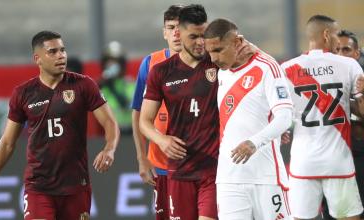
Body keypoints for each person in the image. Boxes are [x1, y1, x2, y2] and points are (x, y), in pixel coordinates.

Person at [0, 31, 120, 220]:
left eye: (63, 50)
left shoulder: (83, 85)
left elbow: (110, 122)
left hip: (76, 186)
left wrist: (109, 149)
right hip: (39, 187)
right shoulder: (23, 93)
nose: (61, 55)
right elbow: (7, 143)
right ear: (38, 58)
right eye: (52, 51)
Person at [204, 18, 293, 219]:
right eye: (210, 52)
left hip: (266, 177)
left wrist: (254, 142)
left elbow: (285, 117)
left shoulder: (267, 66)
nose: (213, 58)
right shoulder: (221, 73)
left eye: (218, 50)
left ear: (237, 42)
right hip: (229, 178)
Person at [139, 4, 219, 220]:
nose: (200, 42)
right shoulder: (161, 71)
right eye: (193, 36)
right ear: (178, 33)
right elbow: (144, 120)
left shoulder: (218, 62)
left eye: (204, 35)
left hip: (214, 168)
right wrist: (162, 140)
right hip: (180, 169)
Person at [281, 15, 364, 219]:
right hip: (338, 161)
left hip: (303, 162)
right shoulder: (348, 65)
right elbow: (362, 112)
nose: (339, 41)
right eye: (337, 35)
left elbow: (279, 114)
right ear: (327, 35)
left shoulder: (287, 69)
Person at [131, 4, 183, 220]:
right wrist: (142, 158)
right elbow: (137, 112)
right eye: (170, 27)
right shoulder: (151, 63)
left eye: (181, 27)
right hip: (161, 163)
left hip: (200, 161)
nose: (176, 33)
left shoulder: (209, 62)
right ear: (164, 32)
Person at [321, 29, 364, 220]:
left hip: (359, 156)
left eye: (346, 50)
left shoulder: (361, 81)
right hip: (334, 158)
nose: (340, 55)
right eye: (337, 50)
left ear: (357, 53)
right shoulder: (322, 81)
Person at [99, 41, 134, 133]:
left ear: (122, 64)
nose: (111, 65)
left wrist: (113, 89)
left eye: (115, 62)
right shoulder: (101, 87)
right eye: (108, 61)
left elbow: (127, 105)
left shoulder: (129, 84)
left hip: (129, 133)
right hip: (108, 134)